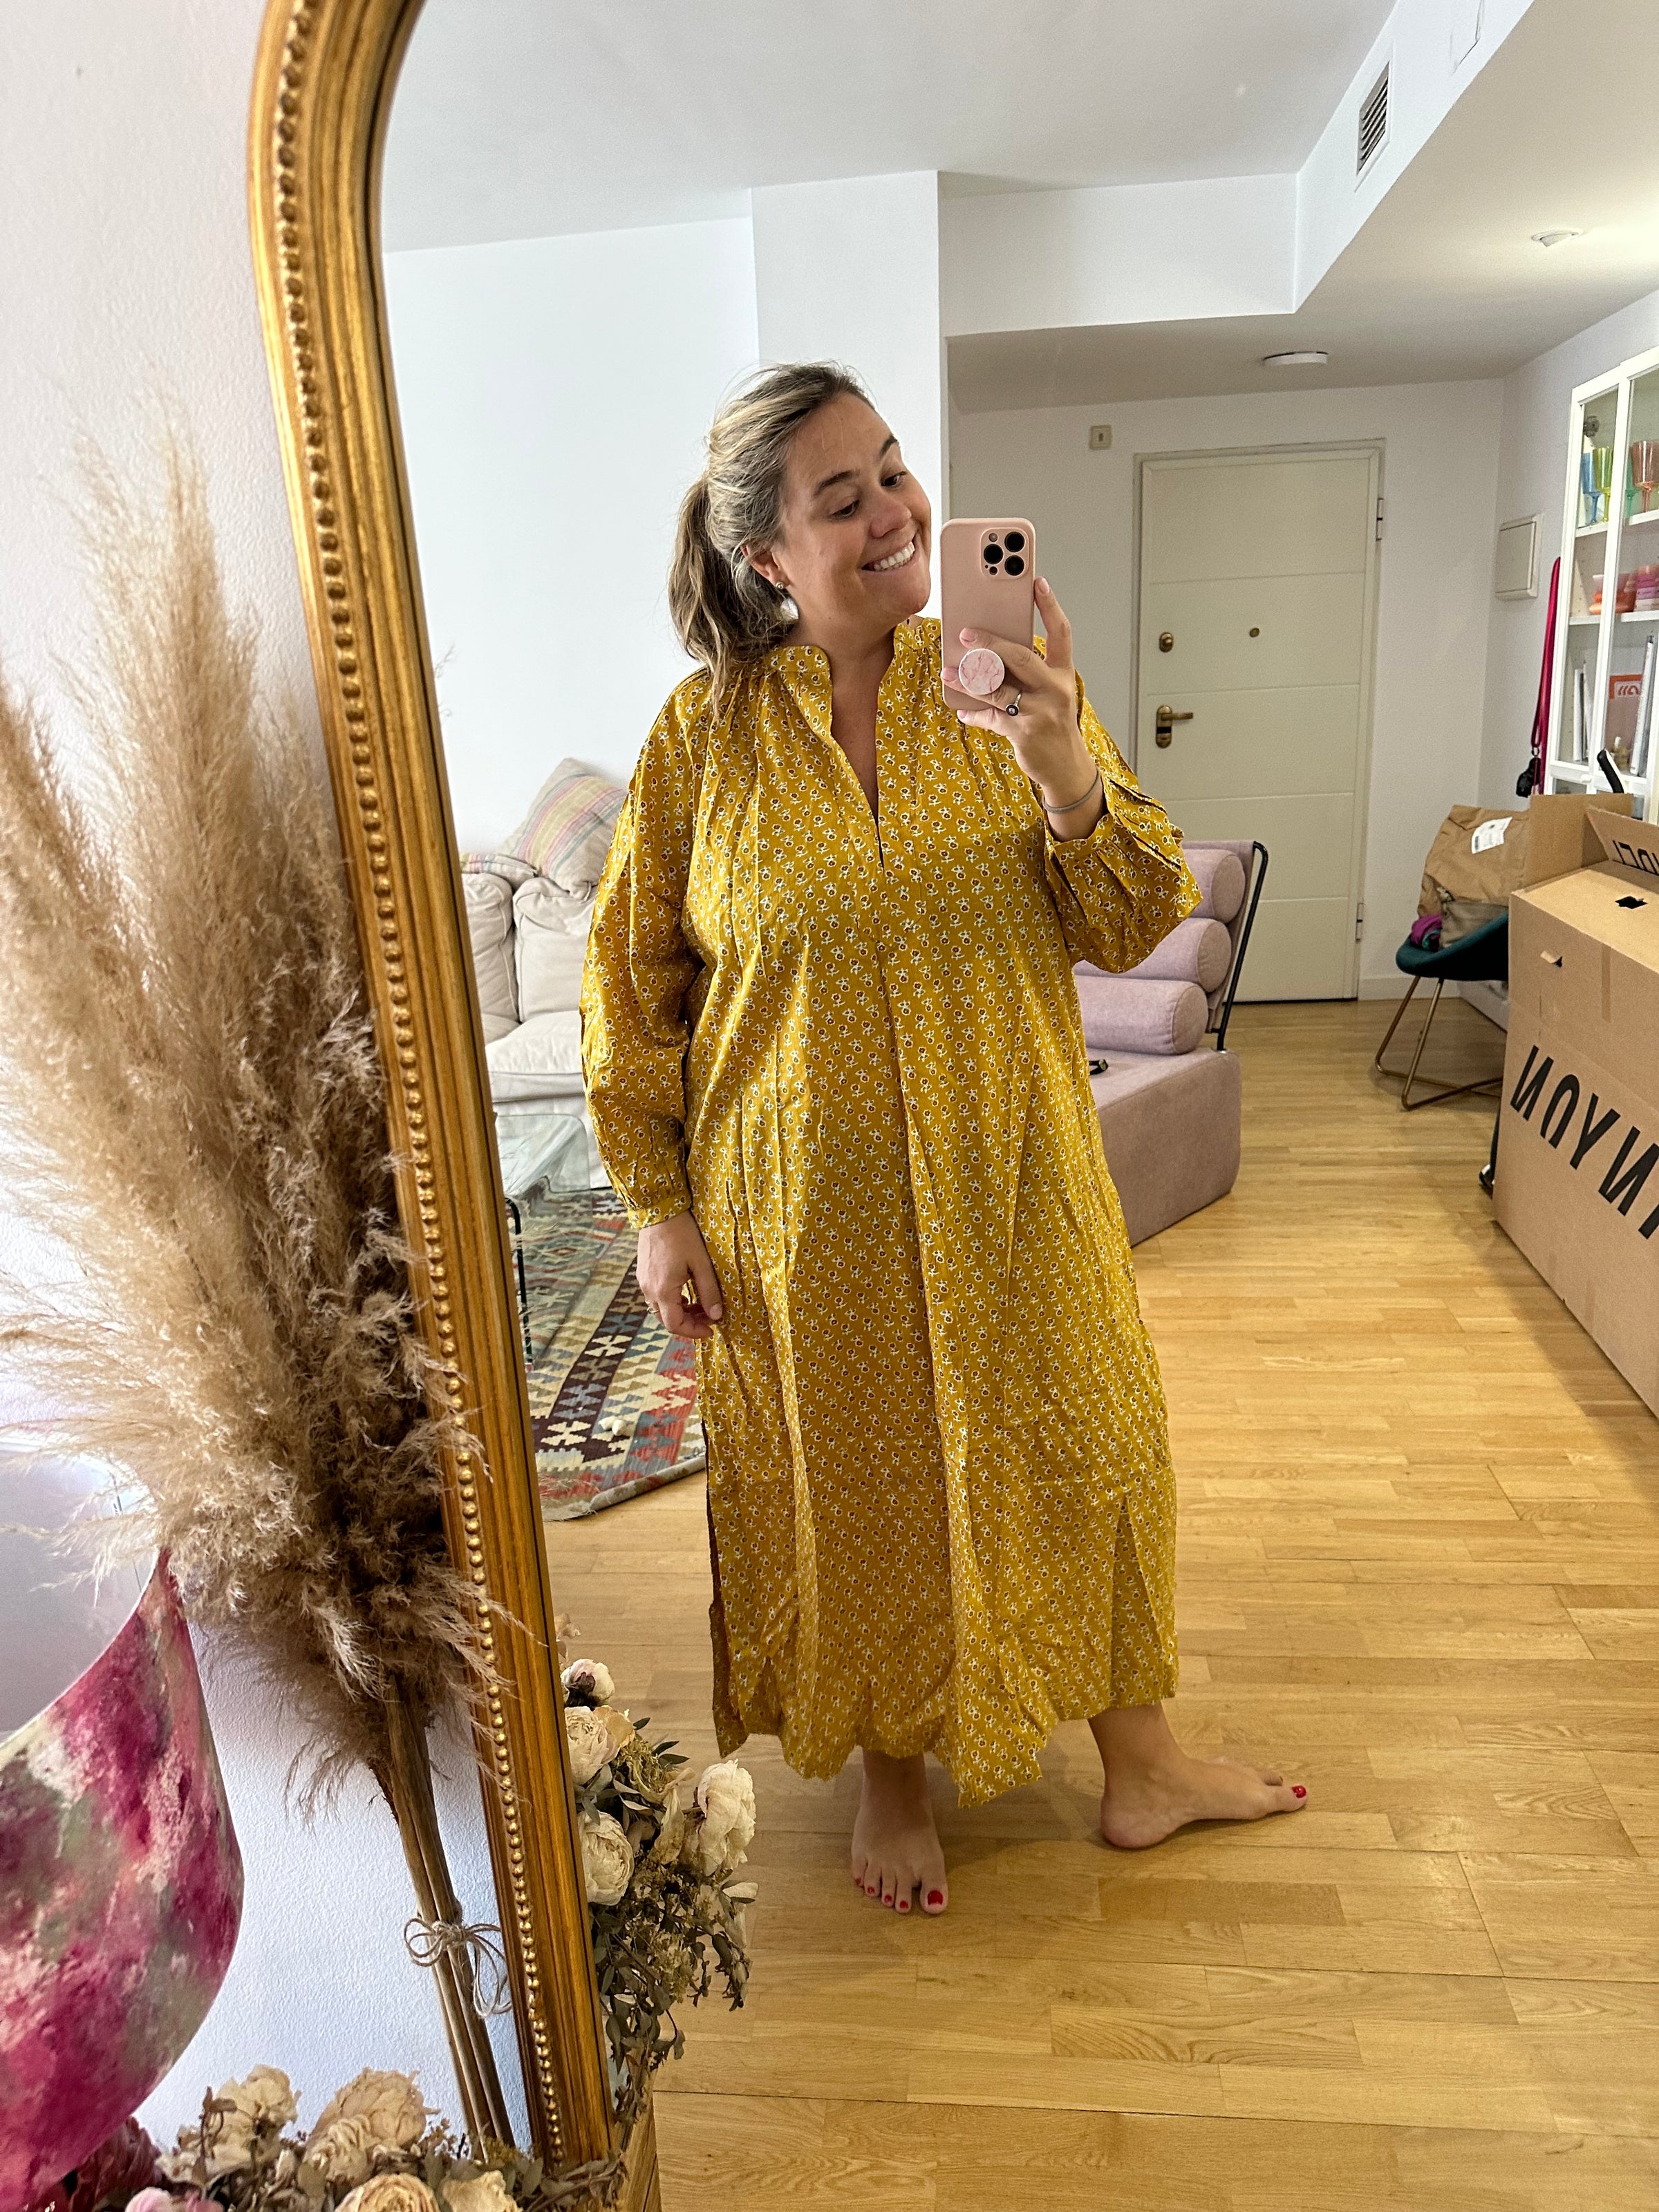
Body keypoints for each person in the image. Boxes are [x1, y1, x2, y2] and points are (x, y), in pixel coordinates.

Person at [580, 362, 1304, 1918]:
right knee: (854, 1483)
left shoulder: (1002, 688)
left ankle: (1143, 1761)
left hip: (1013, 1173)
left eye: (896, 472)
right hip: (798, 1210)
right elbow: (633, 987)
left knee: (1090, 1441)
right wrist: (657, 1203)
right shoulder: (703, 742)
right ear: (766, 556)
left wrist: (1063, 769)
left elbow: (1133, 914)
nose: (896, 514)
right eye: (842, 500)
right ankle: (892, 1775)